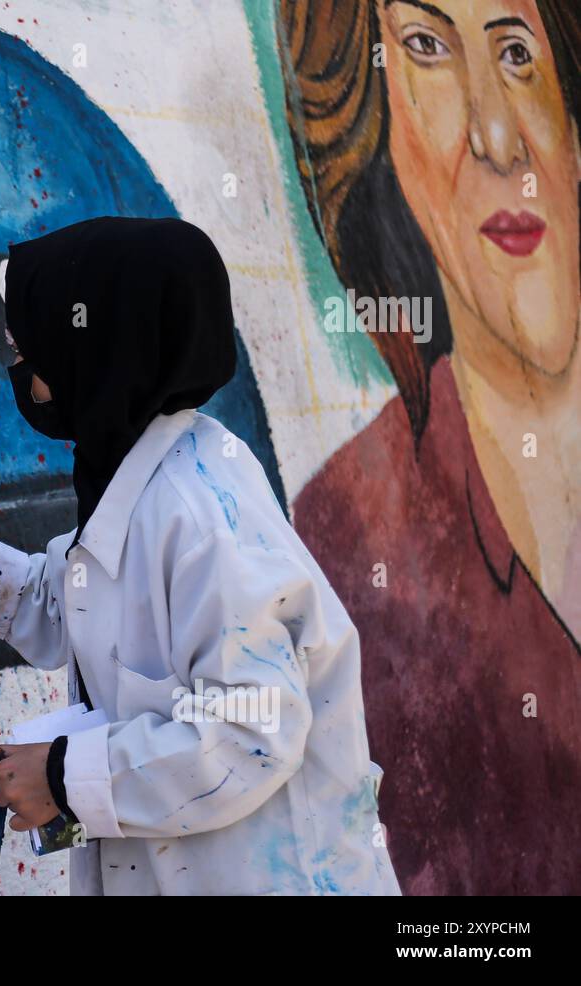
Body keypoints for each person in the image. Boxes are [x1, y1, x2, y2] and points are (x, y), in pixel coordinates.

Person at [0, 216, 399, 895]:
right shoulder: (142, 478)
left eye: (31, 348)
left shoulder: (198, 513)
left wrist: (62, 777)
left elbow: (252, 731)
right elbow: (60, 604)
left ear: (96, 349)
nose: (18, 369)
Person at [279, 0, 581, 893]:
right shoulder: (342, 540)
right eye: (427, 48)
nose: (497, 138)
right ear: (378, 131)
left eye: (517, 52)